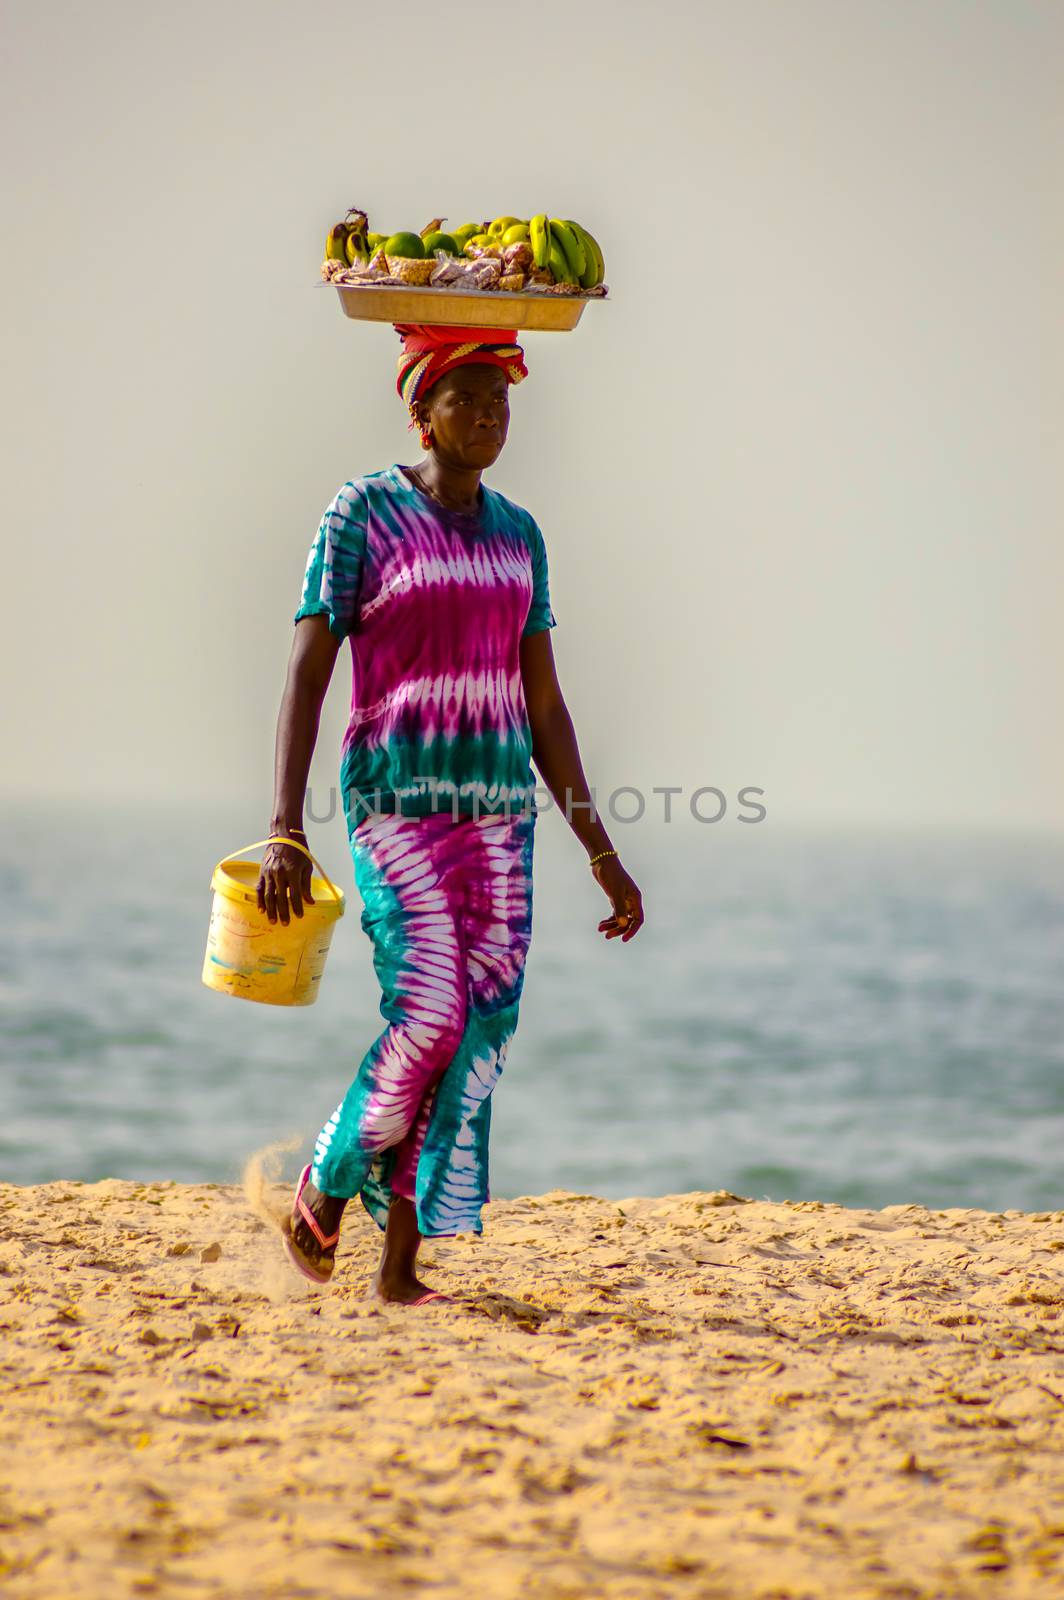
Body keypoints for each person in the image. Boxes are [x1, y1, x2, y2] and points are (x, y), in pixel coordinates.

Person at [258, 321, 644, 1305]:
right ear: (418, 410)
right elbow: (308, 671)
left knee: (478, 1034)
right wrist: (285, 825)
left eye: (499, 401)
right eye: (464, 400)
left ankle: (398, 1270)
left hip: (497, 826)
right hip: (396, 810)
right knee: (429, 1016)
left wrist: (598, 849)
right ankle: (321, 1184)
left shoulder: (519, 535)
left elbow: (543, 705)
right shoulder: (364, 515)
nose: (485, 417)